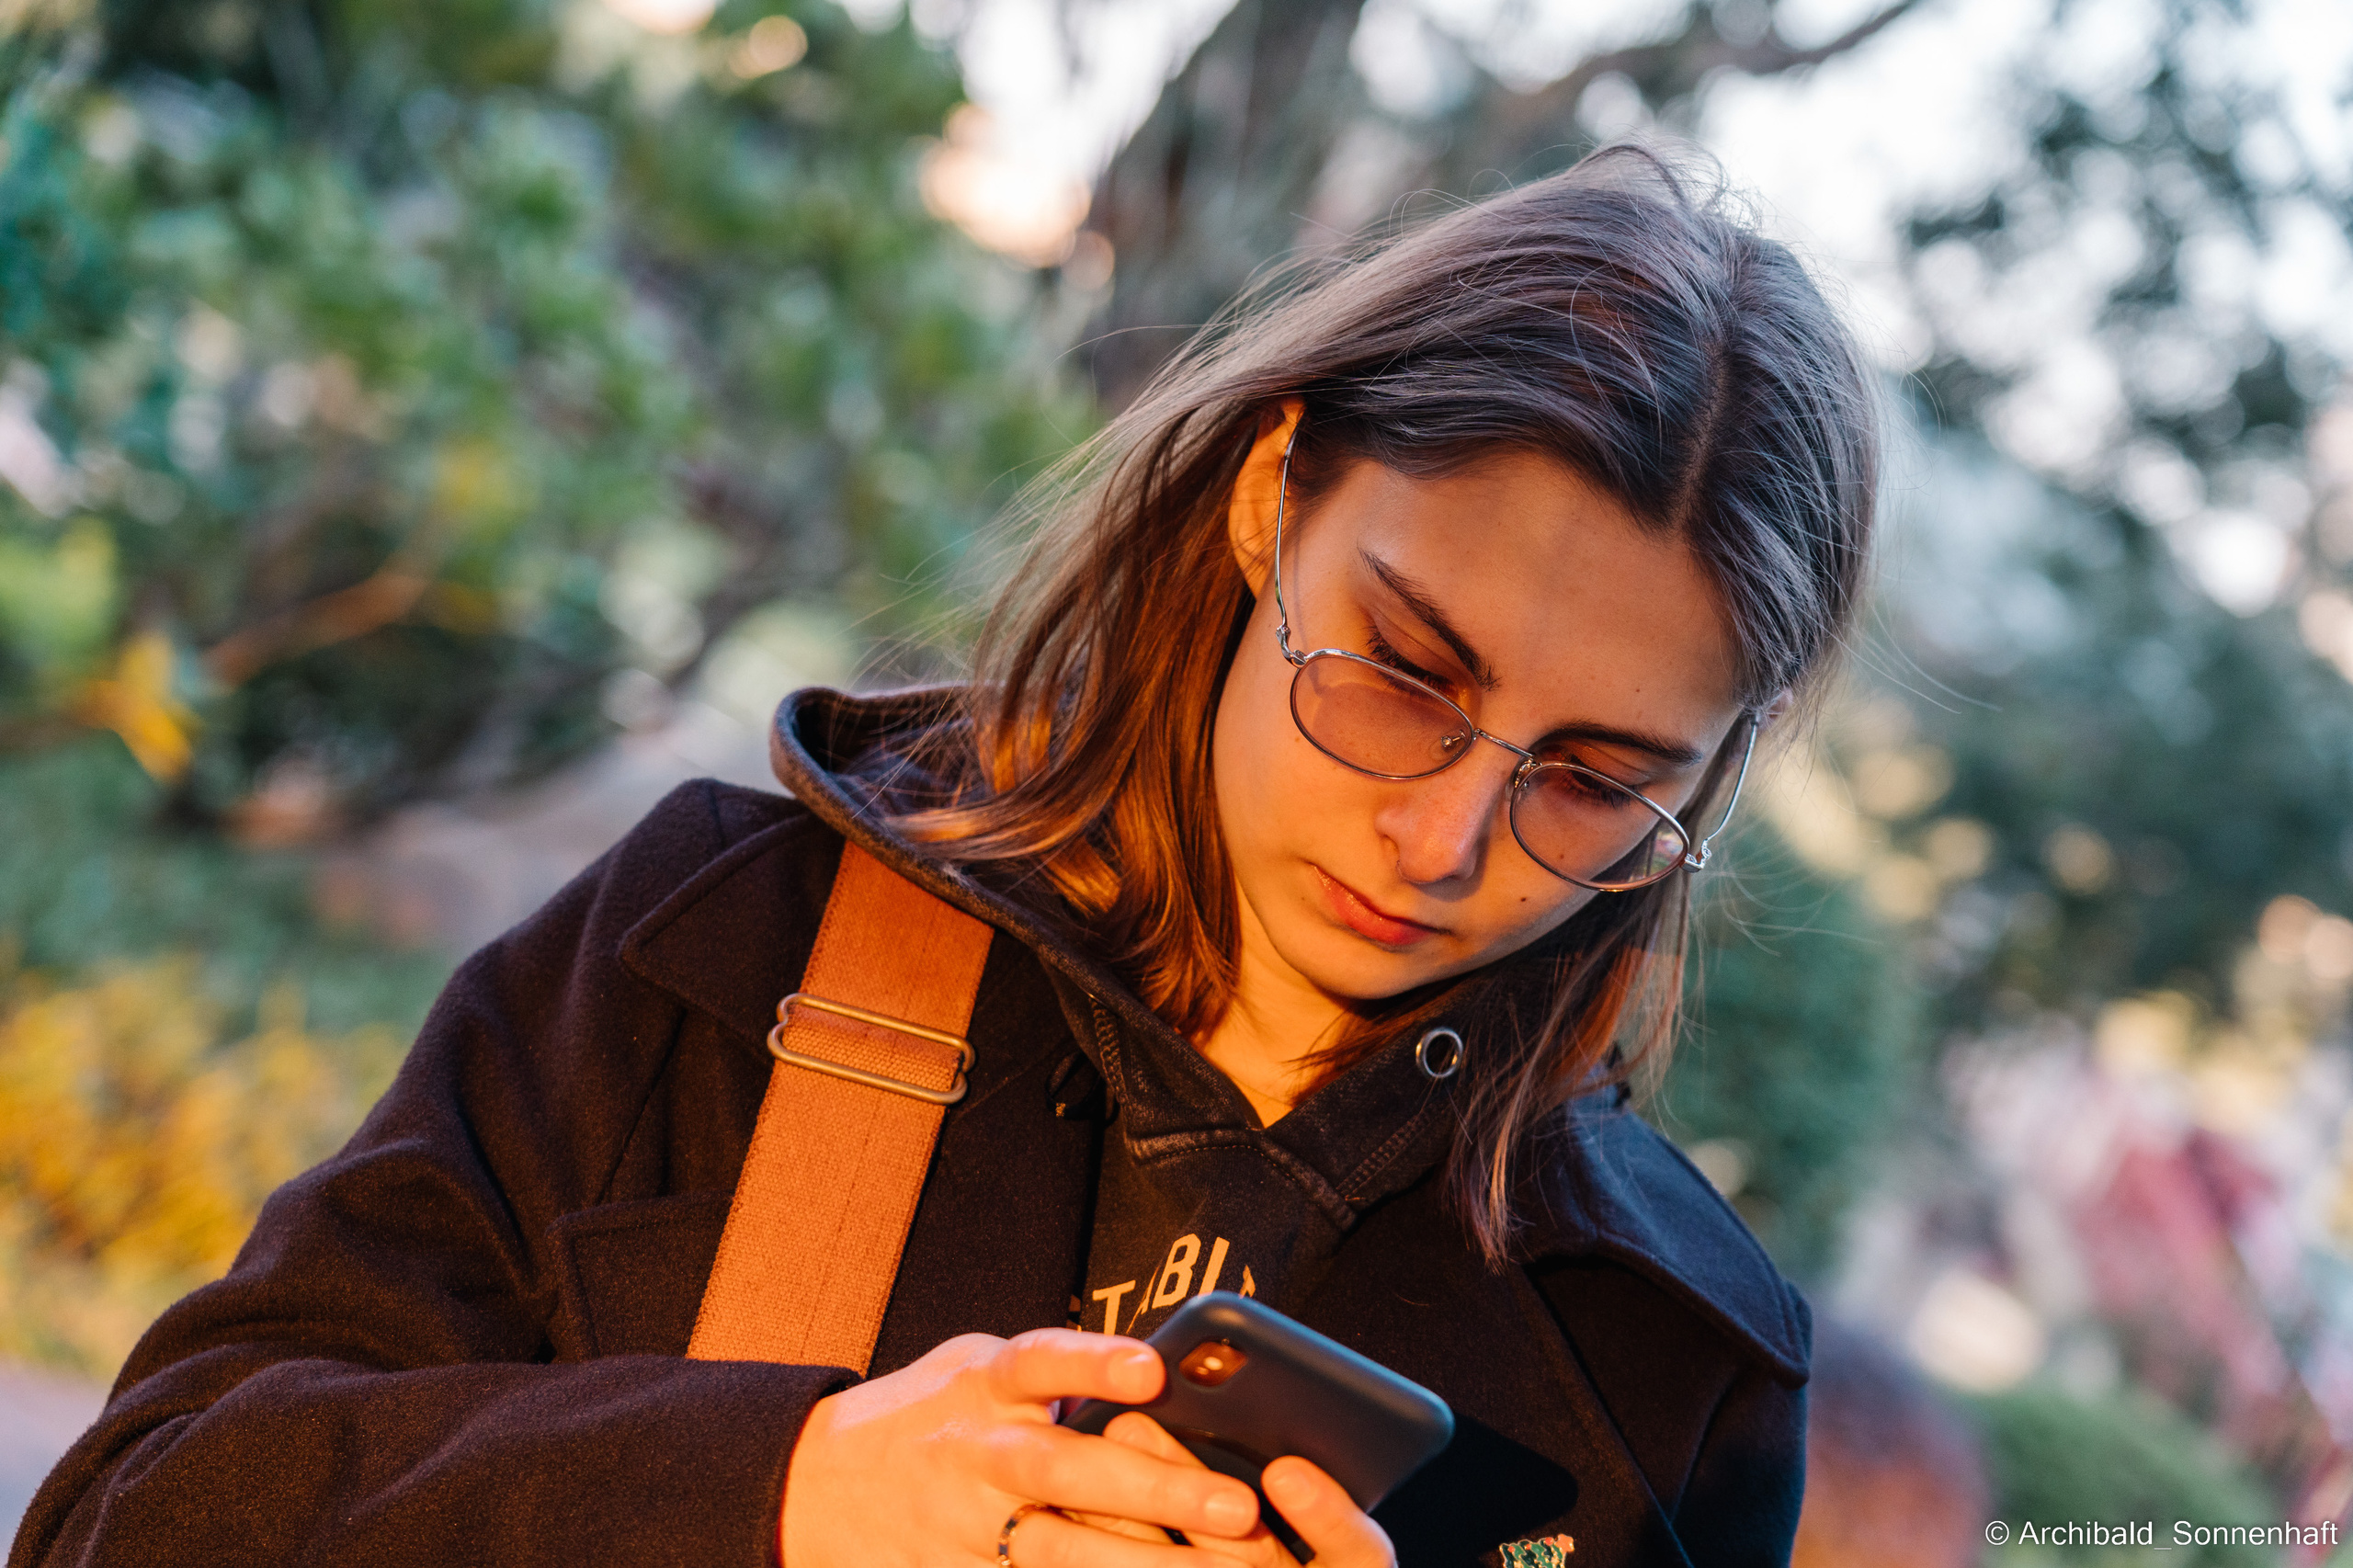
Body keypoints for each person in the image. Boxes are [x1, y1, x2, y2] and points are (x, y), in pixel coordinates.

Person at [12, 144, 1875, 1568]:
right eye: (1396, 671)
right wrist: (779, 1491)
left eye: (1591, 777)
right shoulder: (724, 946)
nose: (1445, 835)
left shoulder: (1671, 1359)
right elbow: (132, 1513)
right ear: (1264, 497)